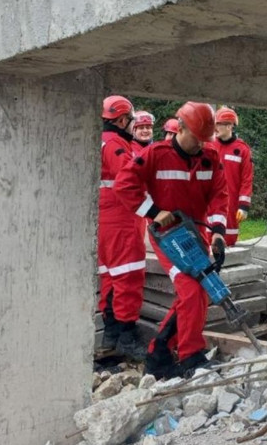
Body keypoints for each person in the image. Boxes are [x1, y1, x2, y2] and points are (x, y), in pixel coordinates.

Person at [114, 101, 229, 379]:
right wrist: (154, 212)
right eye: (197, 138)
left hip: (195, 235)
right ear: (181, 128)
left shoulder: (210, 156)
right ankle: (190, 356)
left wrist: (218, 231)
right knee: (192, 291)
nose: (200, 145)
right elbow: (123, 185)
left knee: (200, 291)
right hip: (168, 237)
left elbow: (219, 195)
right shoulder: (156, 154)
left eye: (205, 140)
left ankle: (159, 354)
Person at [97, 95, 148, 361]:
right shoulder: (115, 144)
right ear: (120, 120)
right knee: (128, 276)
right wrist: (154, 210)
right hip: (122, 219)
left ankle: (111, 334)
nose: (133, 125)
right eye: (130, 120)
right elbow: (129, 180)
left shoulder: (101, 140)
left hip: (106, 219)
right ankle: (127, 336)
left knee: (110, 276)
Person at [205, 107, 254, 246]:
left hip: (231, 203)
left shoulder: (242, 150)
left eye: (218, 124)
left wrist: (243, 206)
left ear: (229, 126)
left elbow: (247, 179)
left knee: (228, 239)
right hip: (209, 199)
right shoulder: (209, 145)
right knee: (206, 236)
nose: (215, 128)